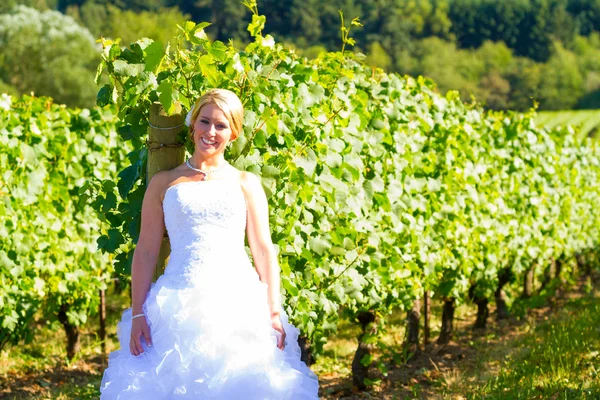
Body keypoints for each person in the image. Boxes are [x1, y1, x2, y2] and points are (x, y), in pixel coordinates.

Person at [100, 88, 320, 399]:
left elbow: (262, 248)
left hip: (237, 303)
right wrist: (137, 313)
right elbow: (147, 250)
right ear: (192, 124)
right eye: (205, 122)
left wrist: (273, 310)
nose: (211, 132)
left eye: (221, 125)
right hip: (177, 302)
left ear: (234, 133)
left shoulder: (246, 183)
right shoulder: (164, 183)